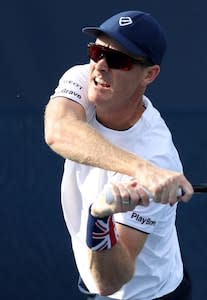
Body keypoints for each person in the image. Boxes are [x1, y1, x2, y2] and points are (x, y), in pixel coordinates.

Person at [44, 10, 194, 300]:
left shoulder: (157, 156)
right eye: (96, 51)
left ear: (149, 74)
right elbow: (58, 131)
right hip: (94, 275)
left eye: (118, 60)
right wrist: (140, 170)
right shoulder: (85, 80)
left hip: (147, 295)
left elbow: (111, 283)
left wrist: (101, 218)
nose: (100, 66)